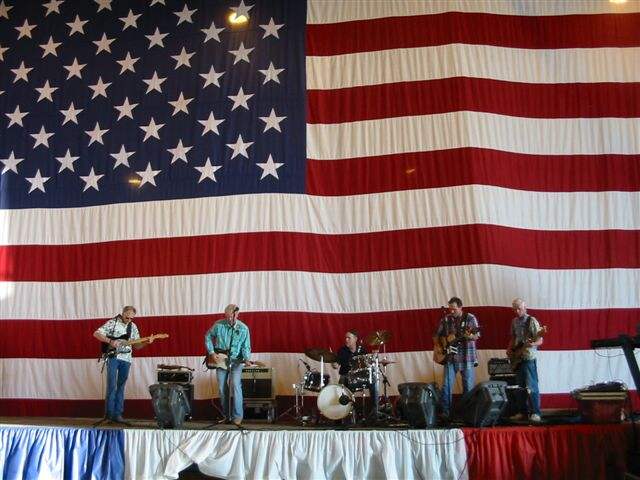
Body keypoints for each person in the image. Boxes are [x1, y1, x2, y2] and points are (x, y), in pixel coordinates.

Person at [94, 306, 154, 424]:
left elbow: (136, 345)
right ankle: (109, 415)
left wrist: (147, 342)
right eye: (127, 317)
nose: (129, 320)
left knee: (121, 386)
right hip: (113, 357)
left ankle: (118, 414)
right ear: (123, 313)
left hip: (126, 359)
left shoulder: (133, 326)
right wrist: (111, 341)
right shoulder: (113, 323)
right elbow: (96, 333)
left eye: (131, 318)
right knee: (111, 385)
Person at [204, 304, 251, 426]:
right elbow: (208, 336)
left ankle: (238, 416)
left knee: (235, 385)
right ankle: (226, 415)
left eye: (231, 317)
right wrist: (212, 352)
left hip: (236, 361)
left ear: (236, 314)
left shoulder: (243, 328)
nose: (229, 319)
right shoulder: (219, 324)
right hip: (221, 359)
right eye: (227, 317)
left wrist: (246, 359)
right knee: (221, 388)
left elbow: (246, 346)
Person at [434, 297, 480, 419]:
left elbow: (476, 336)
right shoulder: (446, 319)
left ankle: (467, 413)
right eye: (450, 309)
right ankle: (445, 412)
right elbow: (437, 336)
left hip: (467, 356)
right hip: (450, 356)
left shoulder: (470, 318)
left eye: (454, 309)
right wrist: (443, 344)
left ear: (460, 307)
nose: (452, 311)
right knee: (446, 385)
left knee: (468, 386)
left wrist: (469, 336)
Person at [507, 298, 543, 423]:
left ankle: (536, 413)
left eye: (519, 309)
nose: (517, 311)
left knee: (531, 385)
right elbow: (513, 338)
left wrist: (532, 344)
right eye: (515, 309)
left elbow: (540, 340)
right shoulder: (514, 322)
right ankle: (522, 412)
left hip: (528, 357)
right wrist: (509, 349)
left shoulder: (531, 321)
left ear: (525, 308)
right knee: (520, 387)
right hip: (517, 358)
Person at [332, 330, 379, 417]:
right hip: (346, 377)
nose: (346, 340)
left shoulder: (362, 350)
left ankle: (374, 412)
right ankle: (341, 416)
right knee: (341, 383)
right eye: (345, 338)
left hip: (360, 378)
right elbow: (336, 365)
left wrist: (373, 359)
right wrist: (334, 364)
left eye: (349, 338)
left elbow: (366, 365)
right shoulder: (342, 350)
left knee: (374, 383)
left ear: (355, 339)